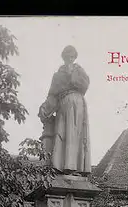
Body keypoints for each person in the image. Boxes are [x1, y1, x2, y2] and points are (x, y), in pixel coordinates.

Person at [38, 45, 91, 174]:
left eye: (72, 56)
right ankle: (62, 166)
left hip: (78, 102)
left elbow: (85, 85)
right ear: (64, 57)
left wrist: (72, 74)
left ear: (75, 57)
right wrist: (45, 107)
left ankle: (76, 167)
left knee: (76, 133)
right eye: (67, 57)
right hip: (63, 103)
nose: (70, 59)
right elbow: (52, 95)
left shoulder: (79, 71)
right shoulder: (58, 75)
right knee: (62, 132)